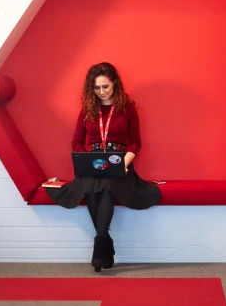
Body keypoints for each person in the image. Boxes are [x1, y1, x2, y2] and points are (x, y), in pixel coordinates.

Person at [47, 62, 162, 272]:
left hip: (118, 161)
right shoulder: (88, 108)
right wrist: (87, 160)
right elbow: (77, 140)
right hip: (93, 161)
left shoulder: (126, 108)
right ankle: (103, 242)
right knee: (92, 187)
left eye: (105, 87)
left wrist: (124, 164)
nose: (101, 92)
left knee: (108, 184)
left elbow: (135, 142)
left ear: (115, 84)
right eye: (96, 88)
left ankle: (100, 244)